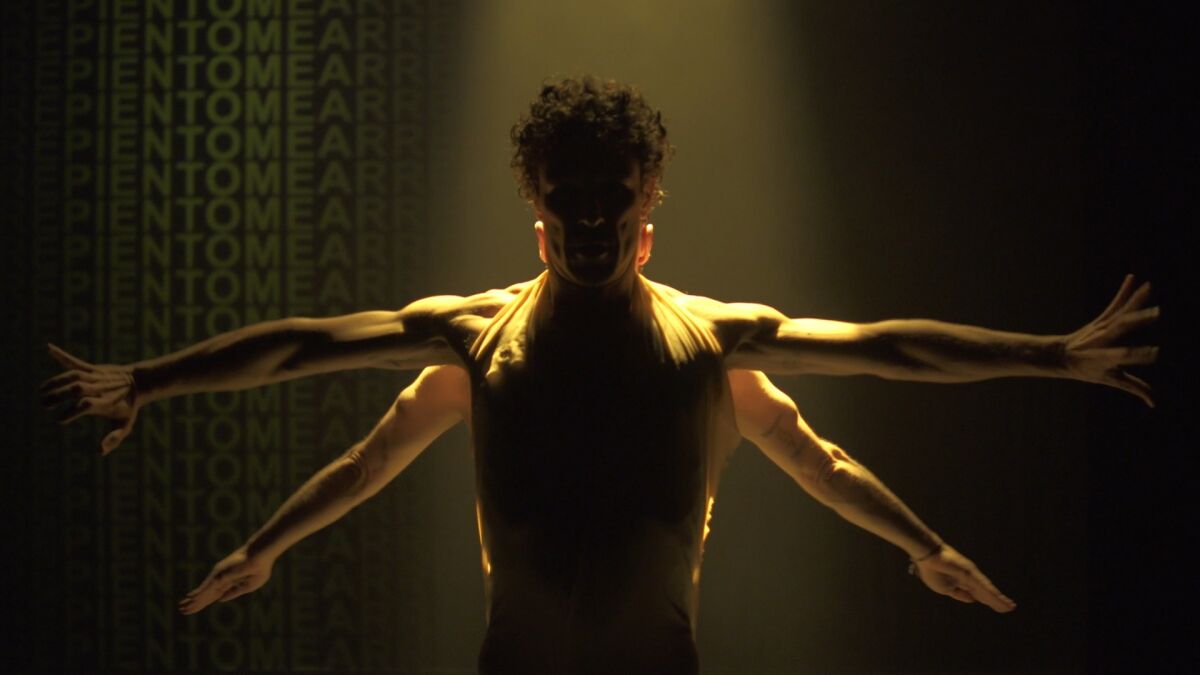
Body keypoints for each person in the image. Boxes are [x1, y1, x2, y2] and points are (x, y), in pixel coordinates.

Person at [42, 77, 1158, 675]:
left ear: (645, 213)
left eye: (609, 201)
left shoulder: (710, 346)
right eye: (567, 201)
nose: (589, 222)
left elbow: (861, 383)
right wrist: (171, 409)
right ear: (538, 214)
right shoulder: (474, 345)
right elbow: (332, 401)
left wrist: (1039, 367)